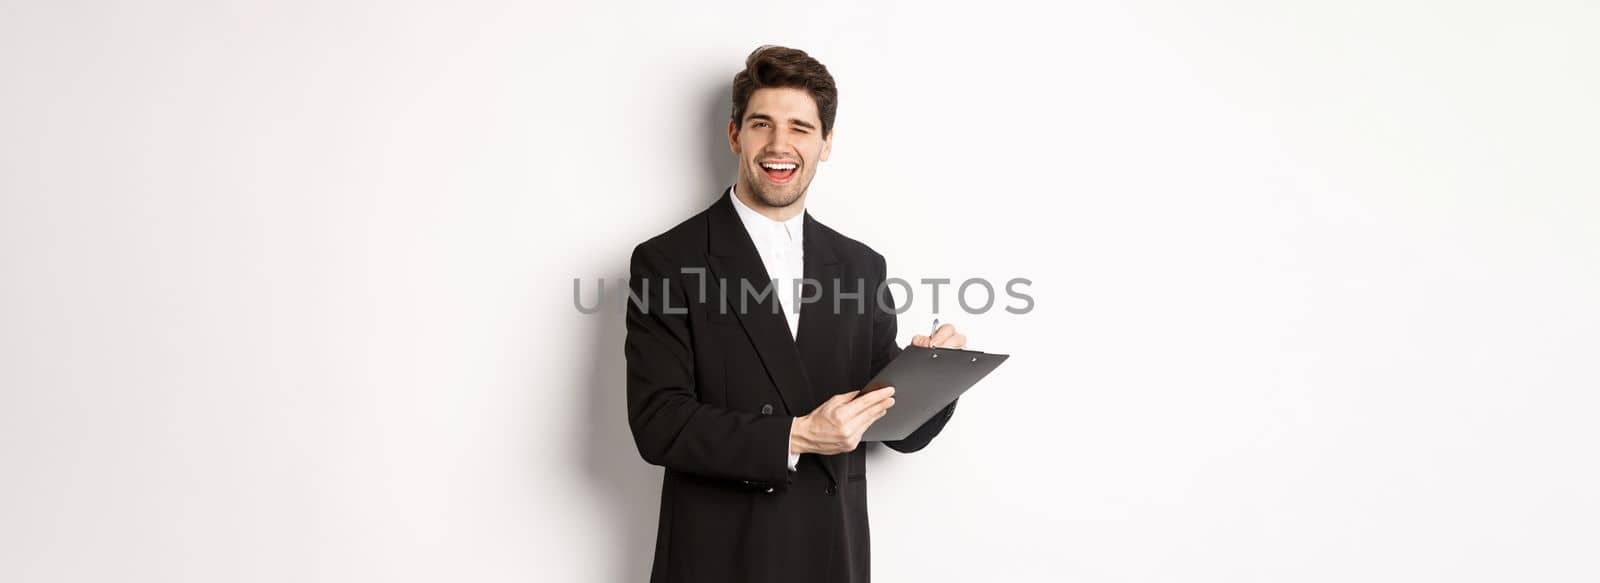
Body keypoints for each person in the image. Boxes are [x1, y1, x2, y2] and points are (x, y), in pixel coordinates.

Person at [624, 45, 969, 583]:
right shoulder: (668, 260)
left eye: (801, 128)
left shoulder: (860, 265)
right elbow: (657, 423)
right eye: (763, 124)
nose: (780, 146)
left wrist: (931, 375)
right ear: (735, 134)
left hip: (831, 553)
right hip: (718, 556)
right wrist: (799, 435)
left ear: (826, 143)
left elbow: (900, 432)